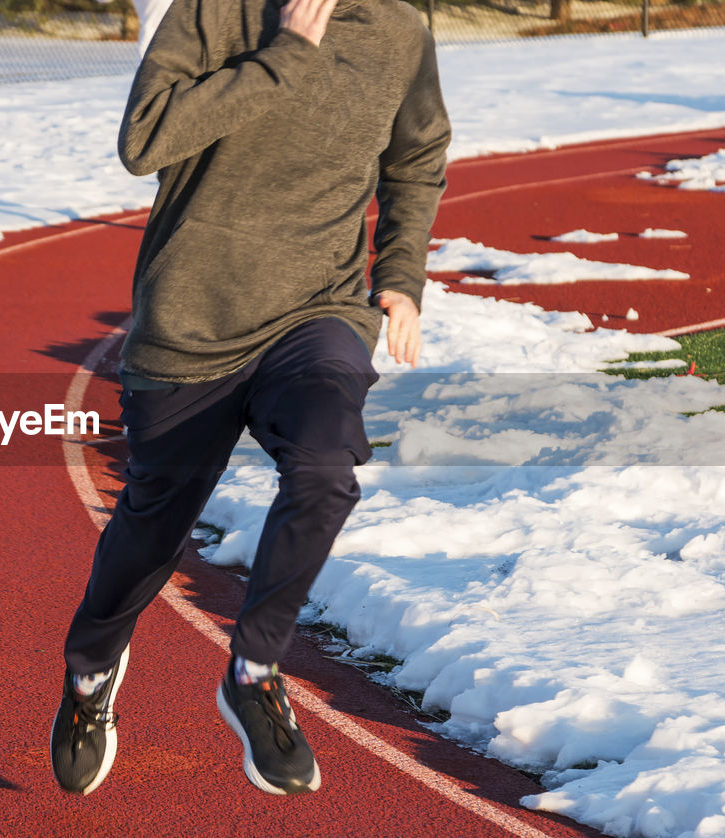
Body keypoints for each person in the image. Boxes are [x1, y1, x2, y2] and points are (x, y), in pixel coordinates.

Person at [50, 0, 450, 796]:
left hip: (318, 312)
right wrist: (282, 59)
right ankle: (92, 672)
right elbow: (144, 143)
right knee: (152, 527)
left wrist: (400, 279)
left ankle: (255, 668)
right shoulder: (214, 12)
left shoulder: (400, 29)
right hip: (191, 322)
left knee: (326, 469)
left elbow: (416, 158)